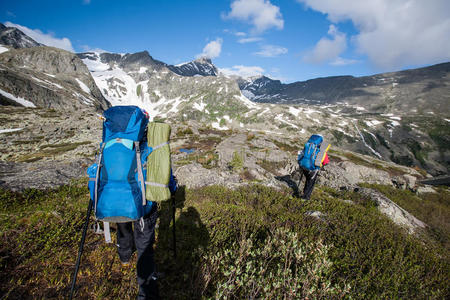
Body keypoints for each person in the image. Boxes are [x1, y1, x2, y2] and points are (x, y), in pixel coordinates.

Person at [116, 174, 177, 300]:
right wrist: (172, 186)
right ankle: (147, 294)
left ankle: (125, 256)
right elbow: (163, 166)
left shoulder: (107, 152)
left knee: (122, 223)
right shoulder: (149, 151)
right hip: (144, 200)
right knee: (144, 246)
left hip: (117, 197)